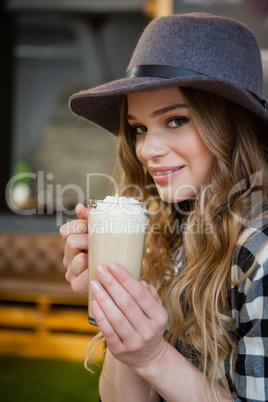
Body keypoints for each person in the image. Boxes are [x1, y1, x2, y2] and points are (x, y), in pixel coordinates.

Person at [60, 12, 268, 402]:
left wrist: (154, 355)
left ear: (231, 125)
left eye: (175, 120)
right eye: (139, 128)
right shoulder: (170, 232)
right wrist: (120, 310)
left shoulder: (261, 251)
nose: (146, 150)